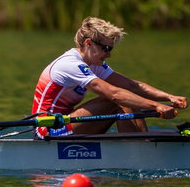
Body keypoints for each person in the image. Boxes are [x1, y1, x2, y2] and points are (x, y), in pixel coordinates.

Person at [32, 16, 185, 138]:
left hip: (68, 121)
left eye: (110, 49)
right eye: (105, 48)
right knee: (119, 99)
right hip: (49, 129)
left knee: (128, 94)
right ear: (88, 43)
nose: (109, 54)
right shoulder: (70, 64)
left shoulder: (93, 63)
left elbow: (133, 86)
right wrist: (156, 106)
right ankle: (140, 149)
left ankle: (140, 144)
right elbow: (114, 94)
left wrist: (168, 97)